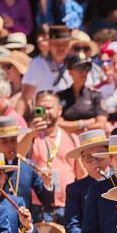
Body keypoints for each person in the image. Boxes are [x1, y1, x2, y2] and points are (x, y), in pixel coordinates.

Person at [0, 115, 54, 221]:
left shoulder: (28, 167)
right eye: (4, 141)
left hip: (24, 226)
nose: (10, 145)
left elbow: (47, 201)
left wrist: (47, 183)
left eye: (13, 140)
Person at [23, 91, 77, 222]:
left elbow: (81, 175)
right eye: (40, 109)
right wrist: (31, 133)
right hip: (39, 206)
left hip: (67, 205)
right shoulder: (30, 137)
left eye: (48, 108)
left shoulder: (72, 138)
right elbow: (19, 153)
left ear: (59, 110)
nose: (45, 112)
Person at [23, 26, 73, 100]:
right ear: (50, 45)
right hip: (44, 106)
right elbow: (26, 96)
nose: (61, 48)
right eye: (57, 44)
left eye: (64, 44)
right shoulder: (37, 64)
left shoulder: (76, 64)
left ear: (69, 45)